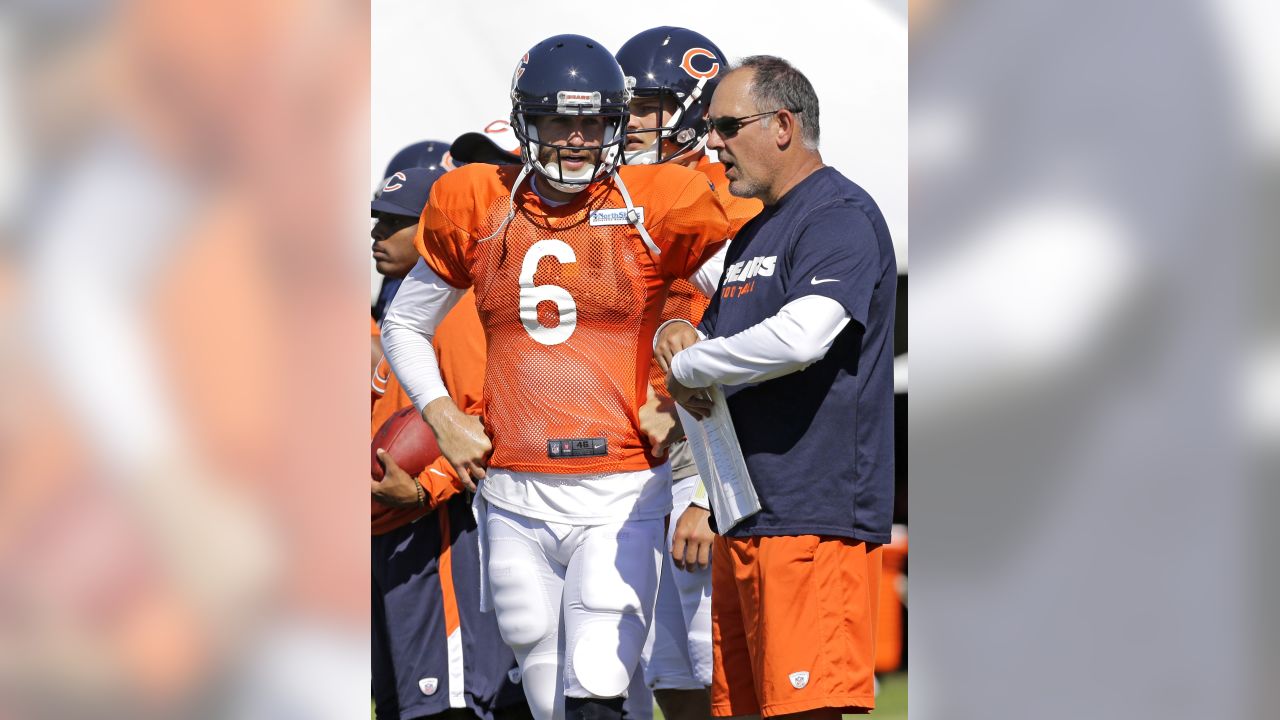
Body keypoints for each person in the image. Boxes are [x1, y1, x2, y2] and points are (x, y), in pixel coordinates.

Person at [380, 34, 730, 720]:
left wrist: (690, 388)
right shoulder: (481, 204)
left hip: (622, 485)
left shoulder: (657, 203)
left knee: (599, 675)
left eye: (592, 122)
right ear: (525, 122)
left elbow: (746, 300)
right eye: (557, 122)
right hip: (513, 490)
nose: (575, 140)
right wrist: (444, 415)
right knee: (545, 692)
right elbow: (405, 323)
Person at [655, 56, 897, 718]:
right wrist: (672, 337)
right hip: (747, 514)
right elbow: (699, 345)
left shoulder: (839, 214)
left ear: (783, 125)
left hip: (811, 516)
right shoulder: (754, 231)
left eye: (728, 126)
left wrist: (691, 365)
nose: (713, 144)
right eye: (710, 127)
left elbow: (802, 337)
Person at [613, 26, 761, 720]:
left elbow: (746, 347)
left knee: (716, 665)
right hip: (621, 462)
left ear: (695, 108)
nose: (631, 119)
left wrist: (706, 486)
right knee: (660, 666)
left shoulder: (719, 200)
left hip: (689, 455)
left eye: (647, 105)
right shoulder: (616, 193)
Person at [369, 166, 529, 720]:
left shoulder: (458, 310)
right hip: (390, 530)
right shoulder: (400, 311)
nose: (376, 235)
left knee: (450, 701)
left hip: (439, 527)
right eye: (375, 220)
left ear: (430, 229)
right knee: (401, 702)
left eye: (395, 222)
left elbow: (483, 422)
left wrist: (421, 488)